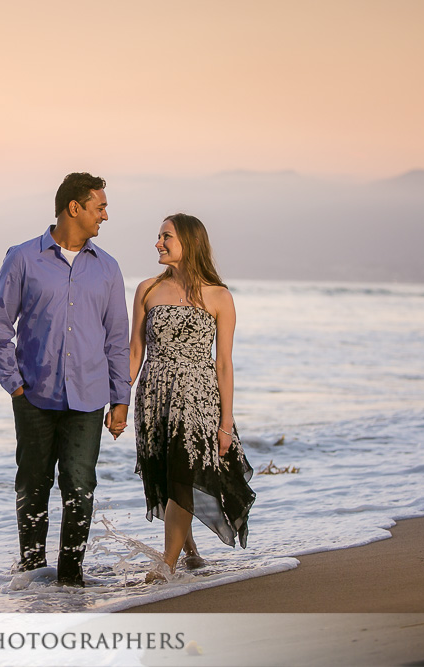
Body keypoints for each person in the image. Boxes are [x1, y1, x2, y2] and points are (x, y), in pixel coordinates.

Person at [0, 172, 131, 587]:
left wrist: (120, 397)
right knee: (33, 484)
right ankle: (31, 574)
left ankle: (71, 579)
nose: (105, 215)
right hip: (33, 395)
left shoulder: (107, 269)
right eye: (99, 207)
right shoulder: (22, 258)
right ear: (75, 207)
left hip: (88, 399)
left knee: (80, 486)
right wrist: (13, 382)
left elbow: (117, 339)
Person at [128, 213, 255, 579]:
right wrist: (119, 402)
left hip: (198, 399)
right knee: (167, 474)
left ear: (190, 241)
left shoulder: (219, 296)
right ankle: (188, 547)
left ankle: (165, 564)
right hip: (154, 396)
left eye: (166, 236)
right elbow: (135, 352)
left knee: (185, 471)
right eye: (158, 236)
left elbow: (225, 365)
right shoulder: (147, 290)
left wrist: (226, 423)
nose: (158, 243)